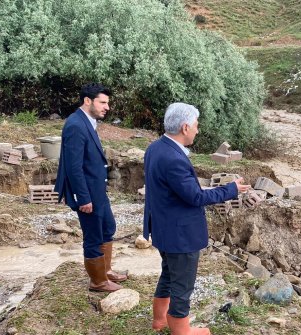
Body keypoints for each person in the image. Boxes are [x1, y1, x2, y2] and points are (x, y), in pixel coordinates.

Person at [144, 102, 250, 334]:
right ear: (184, 127)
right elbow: (195, 196)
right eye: (196, 125)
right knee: (182, 285)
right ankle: (182, 331)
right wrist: (231, 189)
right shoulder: (174, 159)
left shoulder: (156, 148)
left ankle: (159, 319)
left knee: (169, 274)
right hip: (179, 234)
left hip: (162, 228)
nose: (197, 130)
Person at [54, 83, 127, 292]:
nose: (107, 107)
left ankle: (105, 270)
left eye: (107, 103)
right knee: (93, 235)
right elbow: (73, 167)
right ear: (88, 101)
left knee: (107, 227)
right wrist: (83, 198)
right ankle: (98, 281)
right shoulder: (75, 125)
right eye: (102, 102)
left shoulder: (88, 121)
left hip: (97, 190)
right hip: (87, 193)